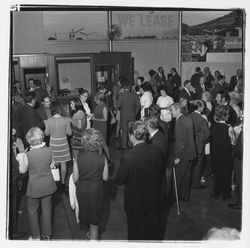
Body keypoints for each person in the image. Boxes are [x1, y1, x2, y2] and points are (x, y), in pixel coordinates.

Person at [116, 121, 163, 240]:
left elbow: (120, 180)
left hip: (134, 201)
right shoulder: (157, 151)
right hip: (153, 199)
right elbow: (160, 172)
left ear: (132, 136)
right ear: (145, 135)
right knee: (152, 233)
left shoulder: (128, 156)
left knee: (134, 233)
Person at [16, 127, 57, 240]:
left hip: (34, 187)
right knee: (47, 209)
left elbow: (22, 171)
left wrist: (20, 158)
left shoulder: (27, 155)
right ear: (41, 137)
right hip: (48, 184)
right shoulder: (49, 150)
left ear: (30, 140)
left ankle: (36, 236)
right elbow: (52, 165)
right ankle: (47, 235)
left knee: (32, 210)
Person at [73, 128, 109, 240]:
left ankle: (89, 232)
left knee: (86, 213)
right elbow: (105, 177)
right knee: (95, 220)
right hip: (96, 190)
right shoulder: (102, 158)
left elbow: (75, 178)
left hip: (82, 189)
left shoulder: (78, 157)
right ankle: (93, 238)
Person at [171, 103, 196, 201]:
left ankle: (174, 197)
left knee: (178, 176)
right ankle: (184, 195)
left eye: (172, 110)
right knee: (186, 176)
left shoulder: (179, 122)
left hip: (183, 154)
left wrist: (178, 157)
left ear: (178, 110)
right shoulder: (188, 119)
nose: (171, 112)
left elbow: (181, 142)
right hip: (190, 153)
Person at [210, 105, 236, 200]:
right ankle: (226, 194)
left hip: (216, 154)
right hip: (226, 155)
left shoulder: (213, 126)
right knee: (227, 175)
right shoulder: (229, 128)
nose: (229, 116)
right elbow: (233, 142)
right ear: (225, 116)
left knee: (217, 174)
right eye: (228, 115)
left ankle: (216, 192)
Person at [45, 101, 72, 189]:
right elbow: (69, 133)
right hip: (63, 144)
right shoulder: (66, 120)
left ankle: (55, 182)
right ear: (59, 109)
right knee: (63, 164)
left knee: (55, 163)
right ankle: (63, 182)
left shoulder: (49, 120)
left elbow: (46, 133)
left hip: (53, 144)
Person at [189, 100, 210, 189]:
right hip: (198, 145)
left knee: (191, 164)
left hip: (190, 144)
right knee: (198, 165)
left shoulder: (189, 116)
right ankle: (196, 183)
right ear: (200, 107)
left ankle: (190, 181)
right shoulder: (201, 119)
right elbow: (208, 133)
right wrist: (202, 141)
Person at [117, 81, 141, 150]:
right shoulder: (135, 95)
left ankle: (124, 146)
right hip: (132, 115)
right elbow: (138, 105)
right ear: (130, 88)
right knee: (132, 130)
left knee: (124, 130)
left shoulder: (121, 95)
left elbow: (118, 106)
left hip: (124, 115)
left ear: (124, 88)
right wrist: (135, 112)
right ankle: (131, 144)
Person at [92, 92, 111, 161]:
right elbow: (95, 115)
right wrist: (91, 116)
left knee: (103, 144)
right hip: (96, 126)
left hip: (101, 127)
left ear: (100, 99)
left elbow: (105, 119)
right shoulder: (97, 106)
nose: (95, 101)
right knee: (98, 144)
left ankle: (109, 159)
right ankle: (100, 158)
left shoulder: (104, 107)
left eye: (96, 99)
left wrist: (94, 118)